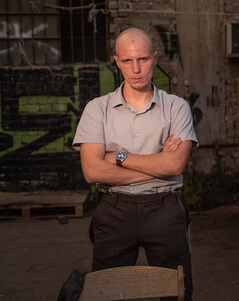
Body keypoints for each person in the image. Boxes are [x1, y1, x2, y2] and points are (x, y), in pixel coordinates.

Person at [73, 28, 198, 300]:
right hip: (114, 210)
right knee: (106, 292)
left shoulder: (176, 108)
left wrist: (118, 158)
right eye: (128, 61)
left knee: (177, 292)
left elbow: (175, 165)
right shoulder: (97, 109)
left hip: (166, 209)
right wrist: (157, 166)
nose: (136, 68)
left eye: (142, 59)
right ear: (116, 61)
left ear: (155, 58)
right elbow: (92, 171)